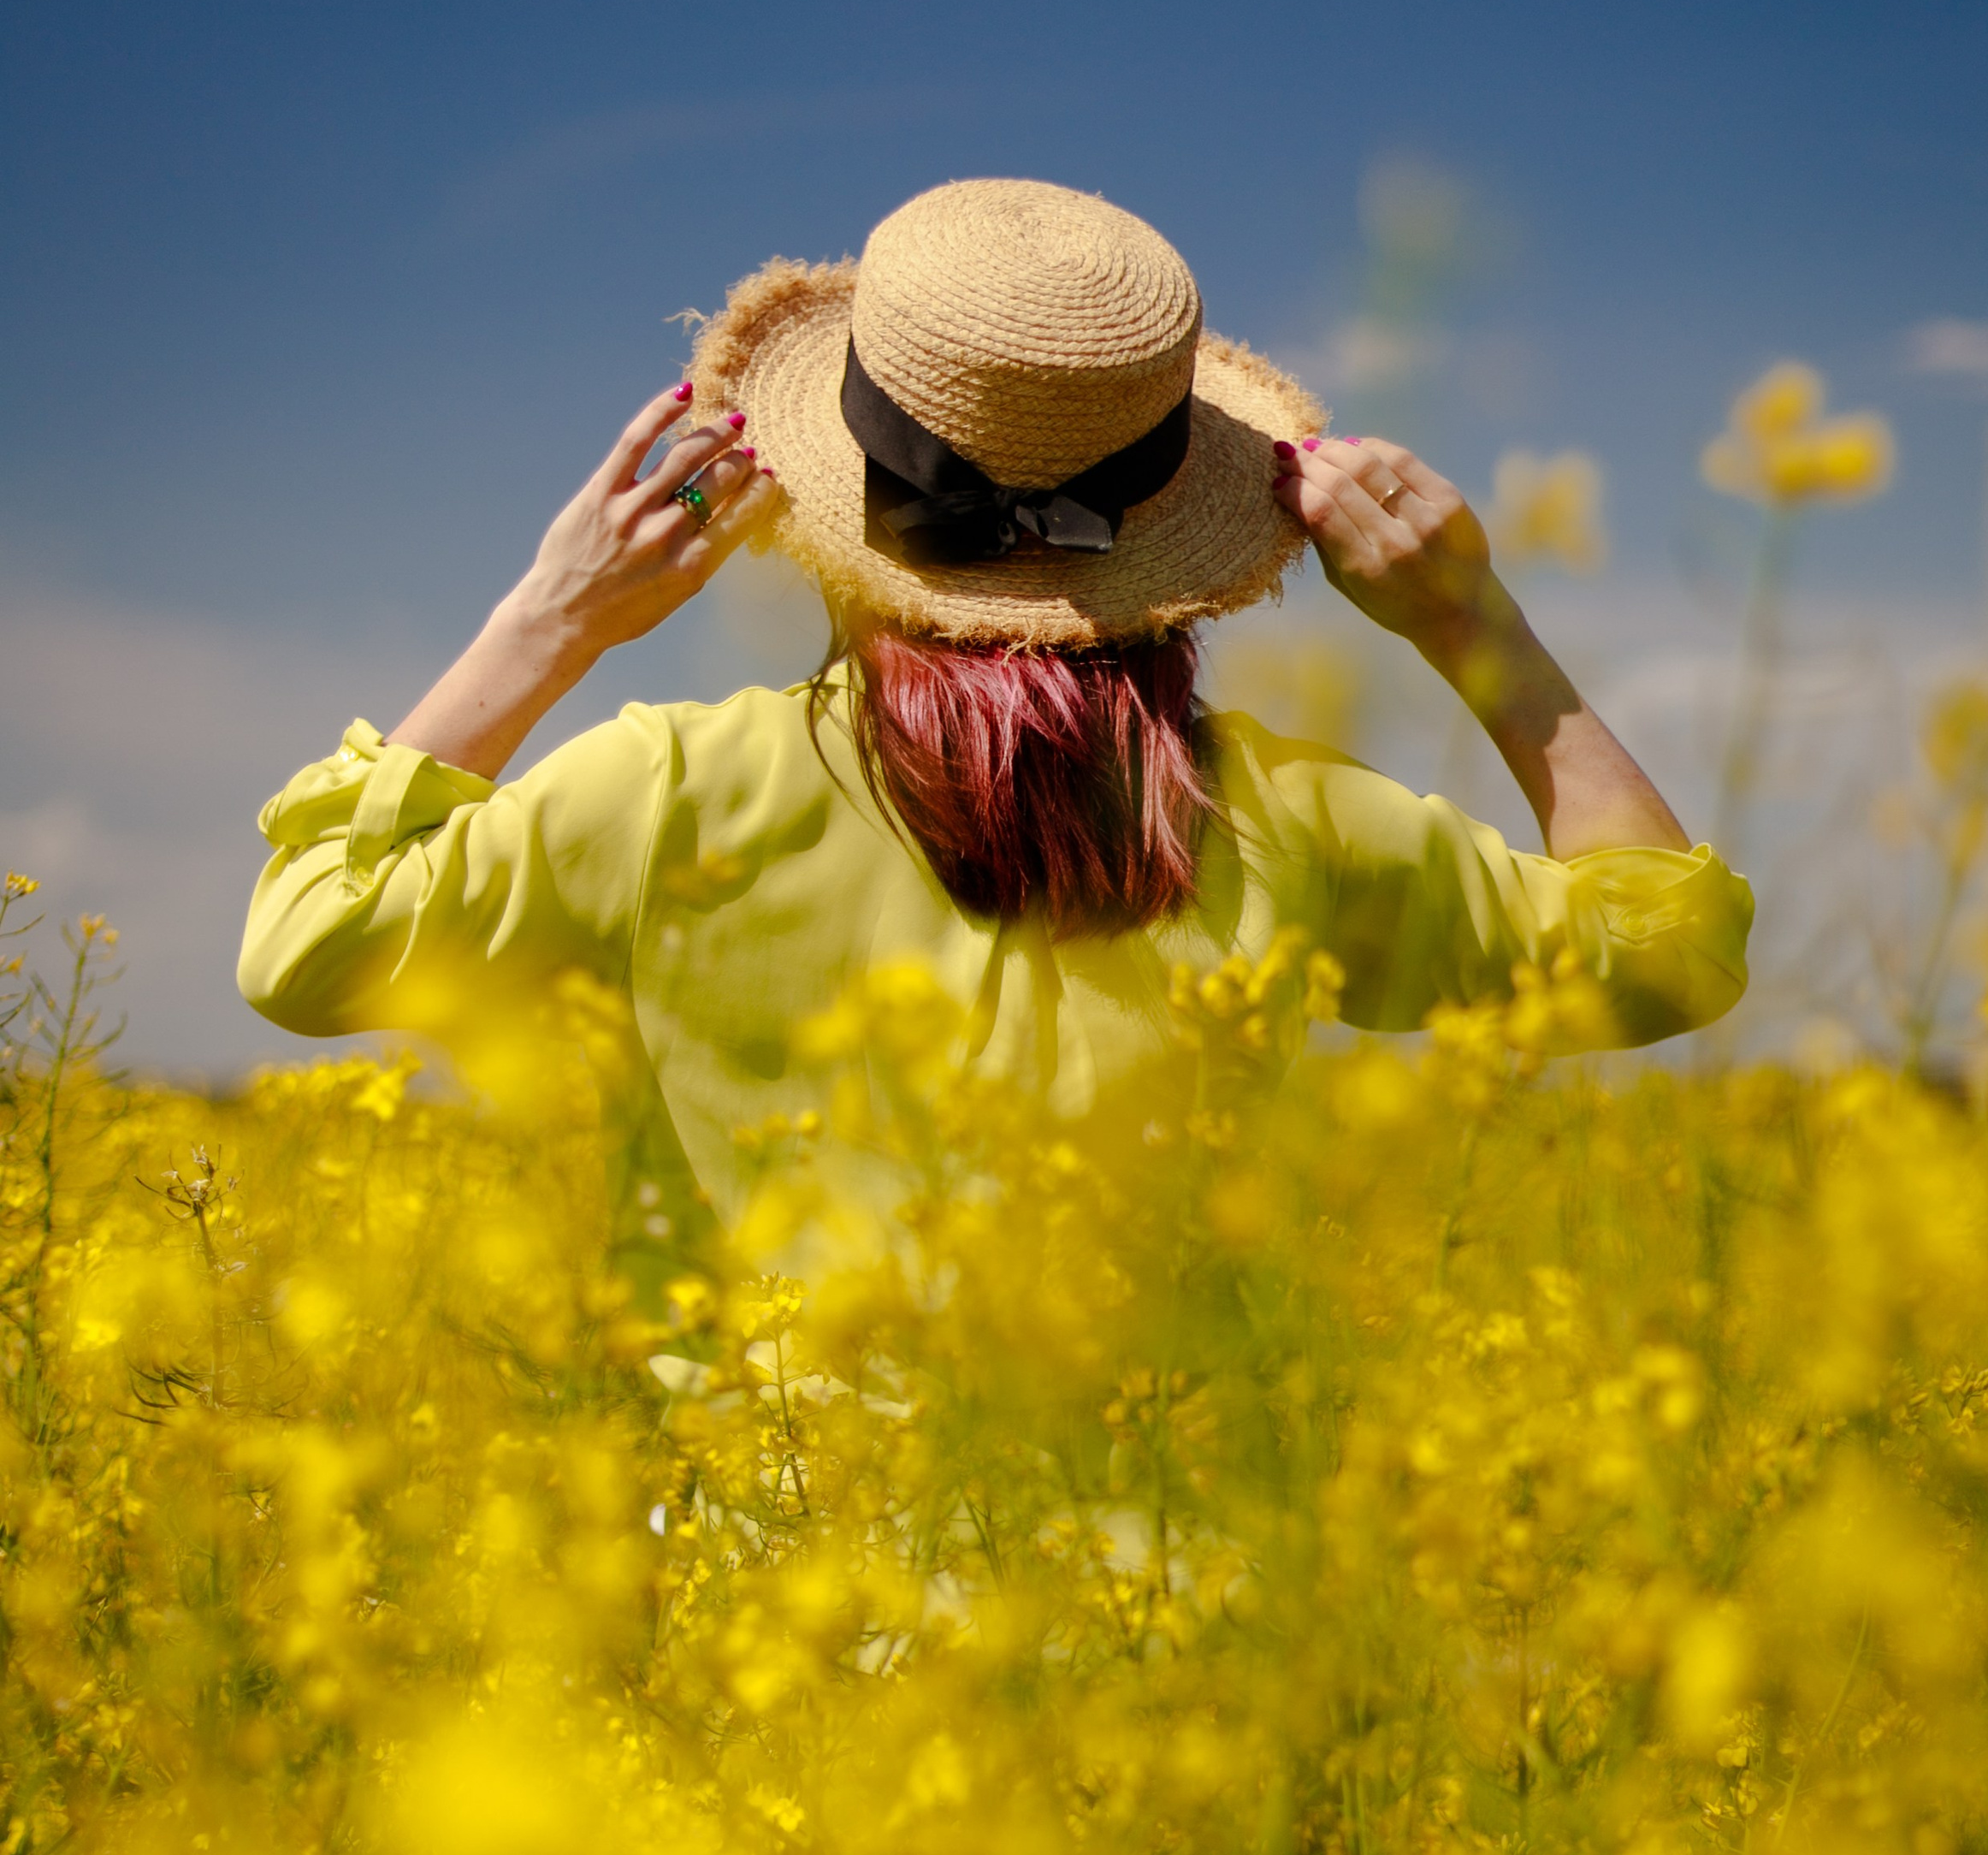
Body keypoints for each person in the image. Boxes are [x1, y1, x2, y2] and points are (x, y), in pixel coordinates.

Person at [239, 179, 1750, 1279]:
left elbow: (310, 945)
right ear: (1182, 513)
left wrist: (551, 619)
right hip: (1196, 1657)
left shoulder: (673, 795)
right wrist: (1472, 624)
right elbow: (1666, 955)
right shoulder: (1285, 828)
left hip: (795, 1647)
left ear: (835, 486)